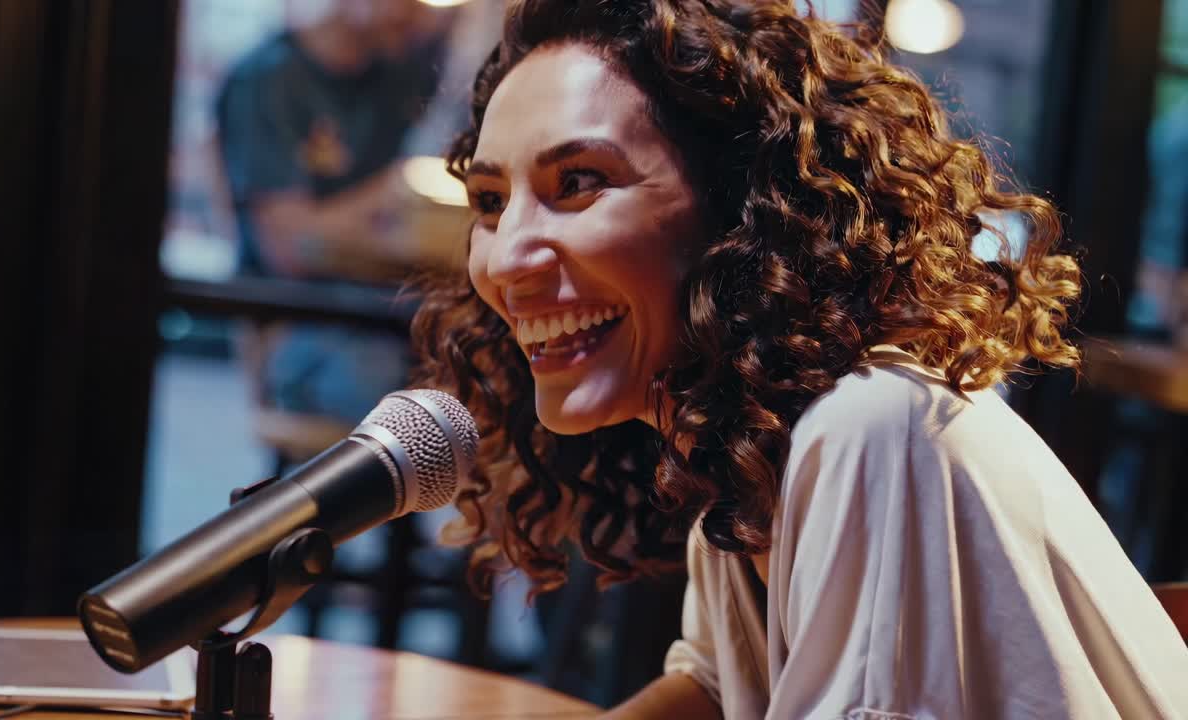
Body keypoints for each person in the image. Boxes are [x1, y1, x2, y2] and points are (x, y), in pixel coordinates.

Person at [409, 1, 1188, 717]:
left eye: (578, 183)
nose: (505, 259)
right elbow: (718, 685)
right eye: (489, 202)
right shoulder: (744, 446)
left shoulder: (871, 425)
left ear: (739, 206)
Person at [214, 0, 448, 421]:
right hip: (297, 322)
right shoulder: (269, 77)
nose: (417, 13)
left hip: (389, 311)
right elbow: (288, 247)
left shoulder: (399, 75)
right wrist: (393, 186)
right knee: (402, 388)